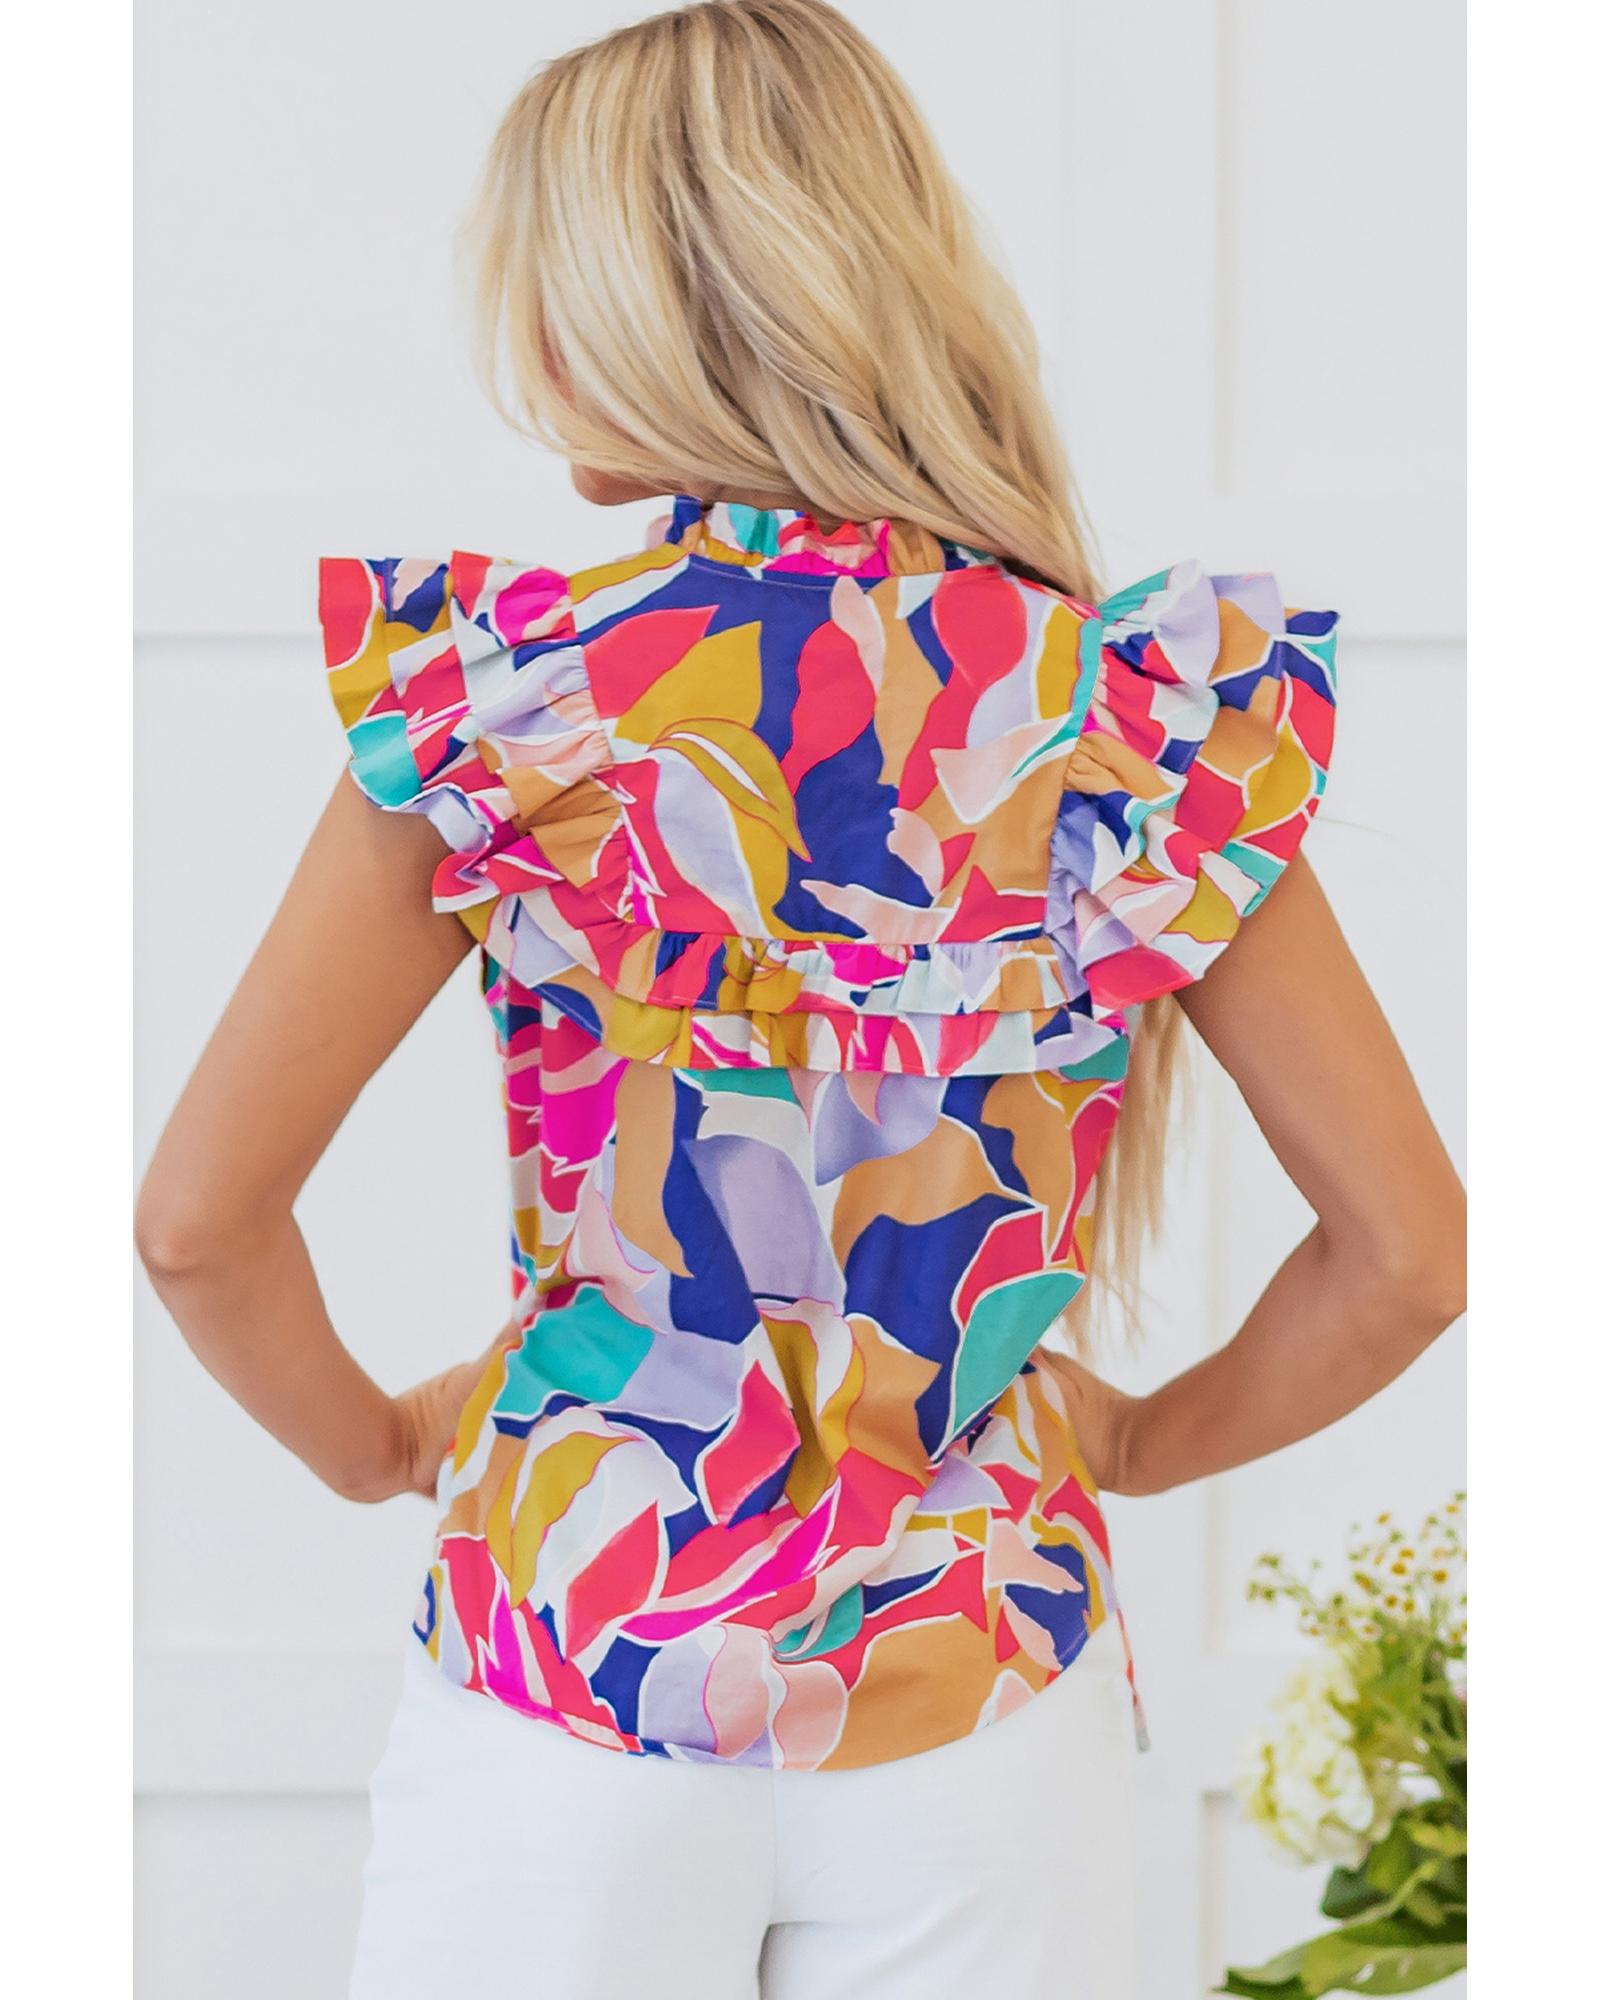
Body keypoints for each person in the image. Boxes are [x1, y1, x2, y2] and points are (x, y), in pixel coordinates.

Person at [134, 3, 1466, 1994]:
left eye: (546, 293)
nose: (527, 353)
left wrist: (376, 1448)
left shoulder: (516, 700)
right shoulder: (1131, 721)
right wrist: (1129, 1447)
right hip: (981, 1715)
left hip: (570, 1682)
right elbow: (1409, 1258)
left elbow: (198, 1223)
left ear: (640, 312)